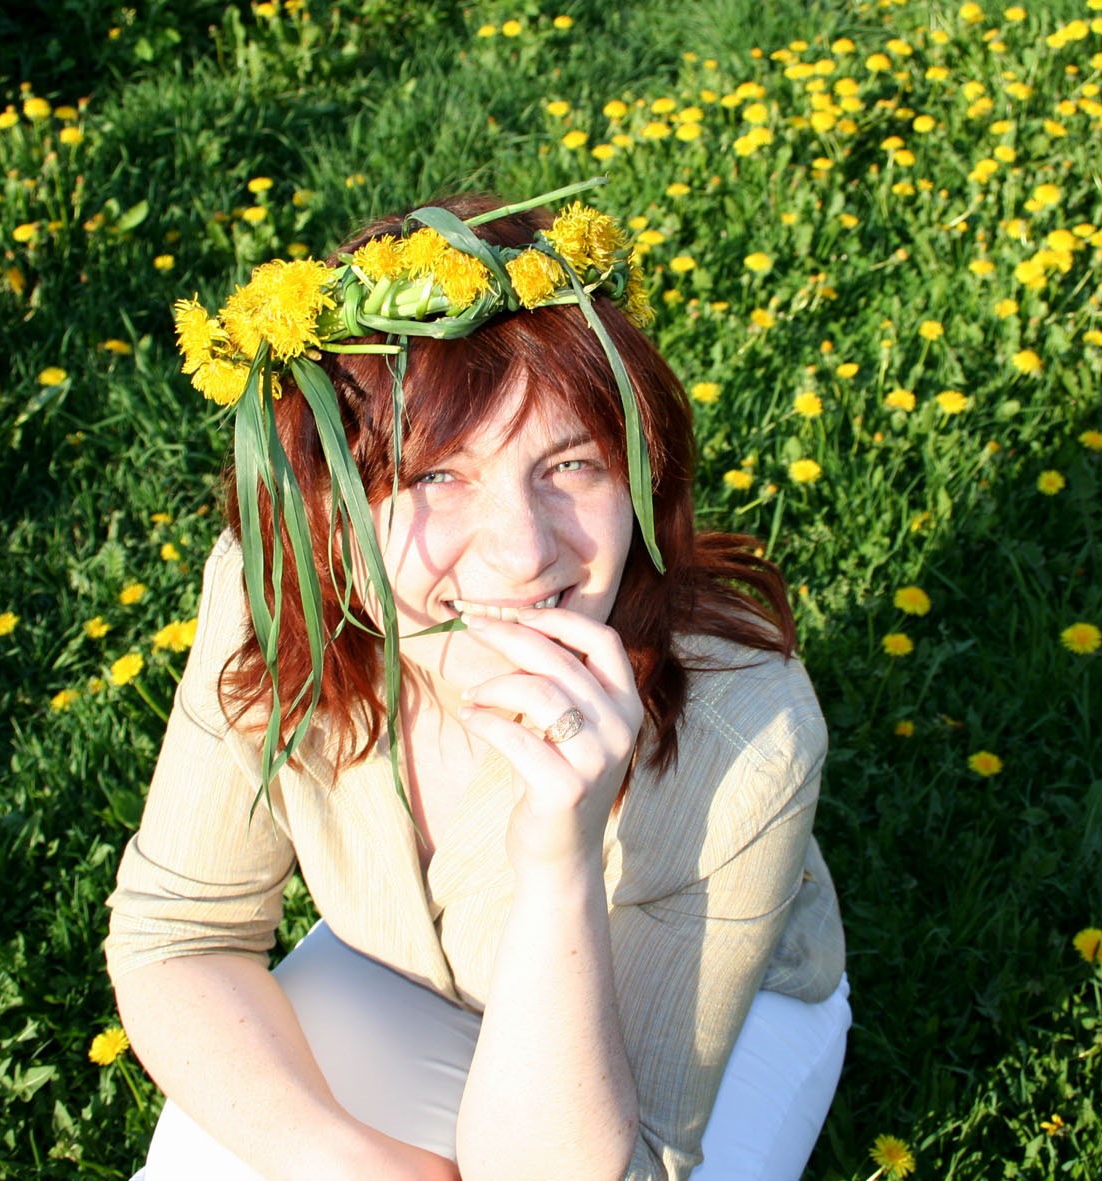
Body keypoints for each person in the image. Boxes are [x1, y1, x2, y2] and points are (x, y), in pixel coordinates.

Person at [105, 187, 849, 1181]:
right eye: (435, 476)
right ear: (329, 505)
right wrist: (352, 1162)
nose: (522, 553)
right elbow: (180, 931)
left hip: (686, 1040)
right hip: (402, 976)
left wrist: (559, 857)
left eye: (571, 465)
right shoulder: (275, 593)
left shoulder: (743, 727)